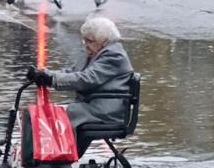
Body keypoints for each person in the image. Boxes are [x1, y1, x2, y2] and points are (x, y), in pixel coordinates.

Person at [27, 17, 134, 158]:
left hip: (104, 110)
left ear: (104, 41)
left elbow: (87, 79)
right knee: (50, 111)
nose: (85, 44)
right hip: (93, 104)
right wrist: (45, 74)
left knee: (57, 115)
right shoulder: (95, 52)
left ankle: (56, 158)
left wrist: (52, 80)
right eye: (84, 40)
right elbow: (71, 72)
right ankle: (52, 158)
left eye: (89, 41)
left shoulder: (114, 55)